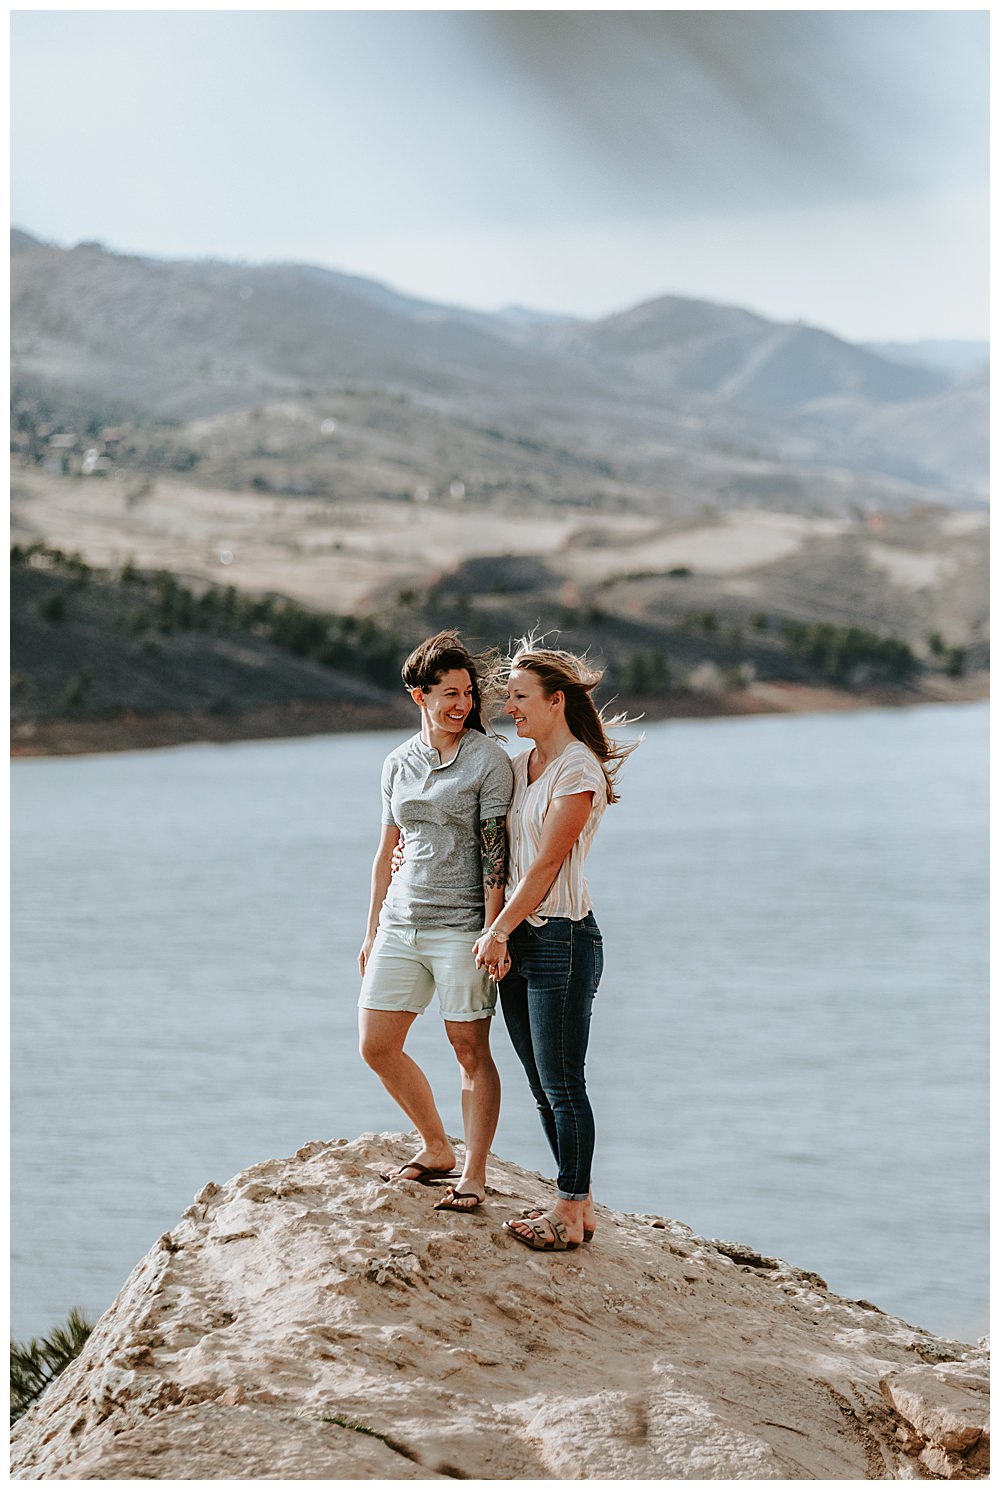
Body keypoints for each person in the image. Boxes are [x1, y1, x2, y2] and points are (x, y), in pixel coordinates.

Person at [473, 642, 639, 1251]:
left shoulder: (578, 771)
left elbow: (545, 866)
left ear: (555, 700)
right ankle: (580, 1204)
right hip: (516, 939)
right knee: (541, 1083)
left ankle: (569, 1211)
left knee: (564, 1082)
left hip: (562, 940)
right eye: (508, 697)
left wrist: (495, 932)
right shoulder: (517, 769)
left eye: (520, 697)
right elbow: (498, 850)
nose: (509, 707)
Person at [358, 630, 514, 1214]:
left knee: (468, 1050)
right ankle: (435, 1145)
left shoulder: (488, 761)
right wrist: (372, 931)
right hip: (401, 921)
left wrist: (492, 929)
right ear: (418, 695)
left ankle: (472, 1172)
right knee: (376, 1045)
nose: (462, 704)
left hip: (461, 926)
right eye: (449, 693)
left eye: (468, 693)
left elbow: (494, 855)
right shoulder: (397, 763)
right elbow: (385, 851)